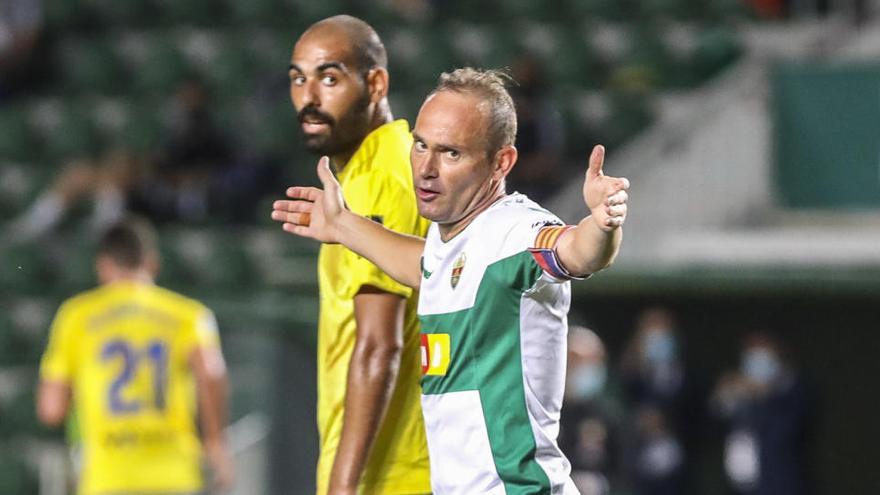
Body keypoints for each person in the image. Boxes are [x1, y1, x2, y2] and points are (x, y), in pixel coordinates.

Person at [272, 67, 630, 493]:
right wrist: (343, 225)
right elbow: (424, 265)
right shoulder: (453, 244)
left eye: (450, 153)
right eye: (420, 145)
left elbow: (575, 251)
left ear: (502, 162)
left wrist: (603, 224)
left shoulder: (514, 232)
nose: (426, 167)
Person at [286, 15, 431, 495]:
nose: (309, 98)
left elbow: (379, 344)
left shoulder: (380, 176)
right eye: (298, 79)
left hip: (390, 478)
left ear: (376, 83)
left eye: (329, 78)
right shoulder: (375, 170)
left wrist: (342, 486)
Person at [36, 217, 233, 495]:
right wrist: (215, 442)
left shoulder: (75, 317)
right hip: (174, 474)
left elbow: (51, 409)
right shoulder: (189, 314)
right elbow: (211, 374)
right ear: (152, 263)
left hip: (107, 477)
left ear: (103, 266)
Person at [710, 332, 810, 495]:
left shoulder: (792, 390)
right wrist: (724, 396)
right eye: (752, 353)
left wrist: (763, 395)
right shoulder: (737, 390)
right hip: (740, 486)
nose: (757, 360)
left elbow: (785, 432)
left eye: (763, 353)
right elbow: (715, 420)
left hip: (778, 486)